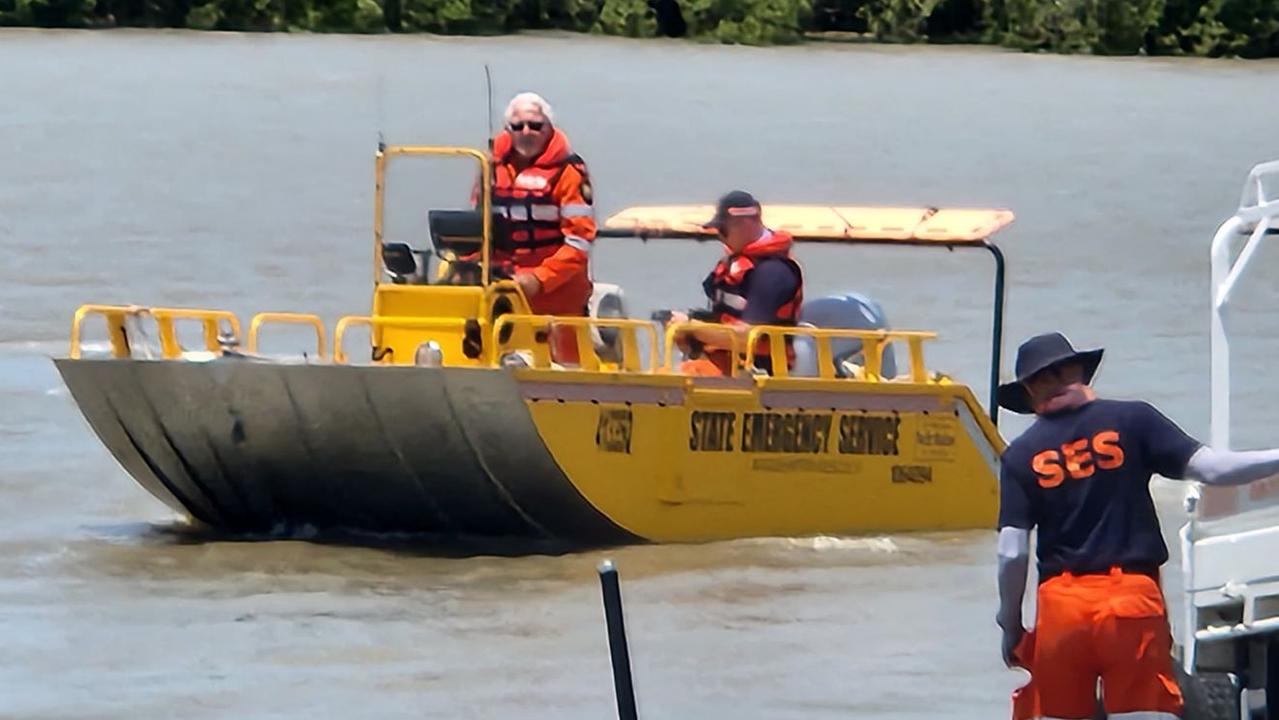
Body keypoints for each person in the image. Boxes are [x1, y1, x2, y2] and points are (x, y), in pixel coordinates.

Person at [995, 332, 1279, 719]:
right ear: (1080, 371)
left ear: (1030, 391)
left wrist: (1010, 622)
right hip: (1131, 599)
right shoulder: (1132, 420)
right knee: (1143, 713)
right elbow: (1214, 469)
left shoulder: (1020, 456)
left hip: (1062, 609)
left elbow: (1012, 552)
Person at [482, 92, 596, 362]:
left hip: (555, 298)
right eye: (518, 126)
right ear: (507, 130)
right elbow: (477, 228)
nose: (526, 132)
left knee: (563, 367)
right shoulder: (490, 167)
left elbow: (579, 243)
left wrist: (539, 280)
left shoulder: (569, 173)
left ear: (549, 129)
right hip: (500, 291)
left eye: (535, 126)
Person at [672, 191, 804, 376]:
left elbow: (748, 338)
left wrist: (692, 328)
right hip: (723, 360)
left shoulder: (773, 272)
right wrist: (688, 333)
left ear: (743, 224)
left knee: (673, 386)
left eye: (722, 230)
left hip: (757, 369)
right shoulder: (735, 263)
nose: (720, 237)